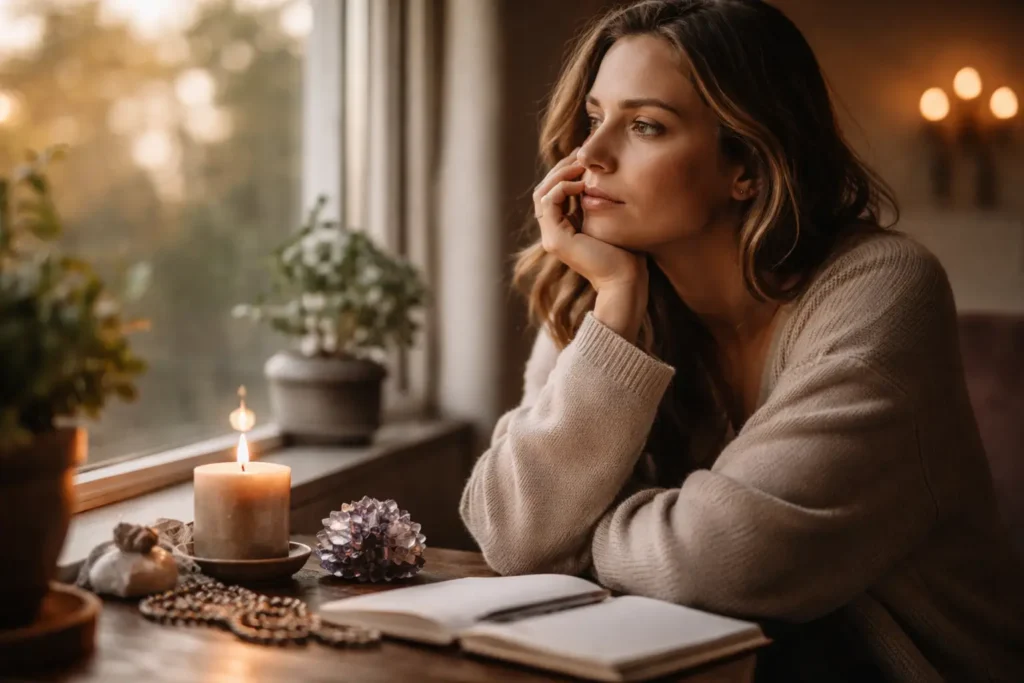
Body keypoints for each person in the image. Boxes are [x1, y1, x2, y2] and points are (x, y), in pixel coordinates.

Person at [458, 1, 1024, 680]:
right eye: (594, 117)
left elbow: (728, 557)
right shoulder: (604, 289)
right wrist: (613, 317)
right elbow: (510, 533)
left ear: (747, 166)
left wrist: (581, 532)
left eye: (644, 125)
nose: (592, 156)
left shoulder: (881, 288)